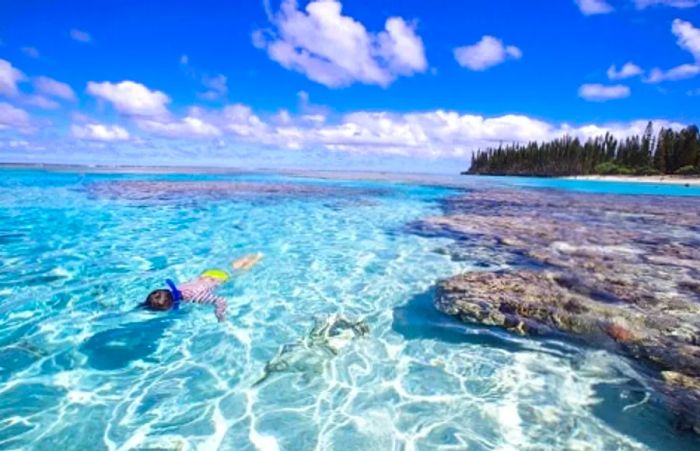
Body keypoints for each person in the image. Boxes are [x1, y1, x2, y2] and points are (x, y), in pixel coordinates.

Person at [142, 253, 263, 322]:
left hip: (222, 278)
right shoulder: (175, 288)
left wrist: (220, 315)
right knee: (234, 265)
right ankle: (253, 254)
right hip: (208, 274)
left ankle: (258, 257)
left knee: (241, 271)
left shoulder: (195, 297)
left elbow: (221, 300)